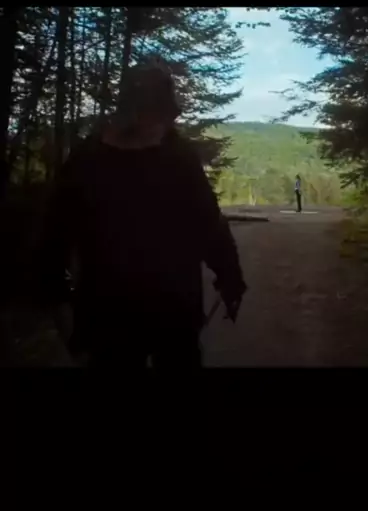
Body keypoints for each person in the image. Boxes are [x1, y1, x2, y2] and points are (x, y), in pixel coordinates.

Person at [37, 56, 246, 367]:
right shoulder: (88, 161)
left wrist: (230, 277)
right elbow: (54, 237)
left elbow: (208, 224)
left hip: (171, 312)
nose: (161, 122)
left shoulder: (177, 157)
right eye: (154, 112)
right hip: (110, 317)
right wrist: (56, 298)